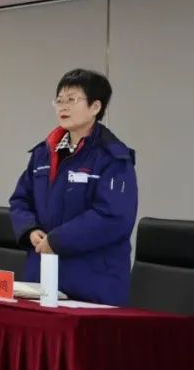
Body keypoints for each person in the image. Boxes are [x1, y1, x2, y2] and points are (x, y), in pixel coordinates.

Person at [9, 69, 138, 306]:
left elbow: (113, 217)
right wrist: (30, 230)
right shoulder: (43, 153)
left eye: (72, 99)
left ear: (95, 107)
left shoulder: (112, 157)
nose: (63, 106)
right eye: (59, 100)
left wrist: (58, 240)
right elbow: (20, 200)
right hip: (42, 277)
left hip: (92, 283)